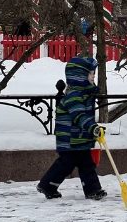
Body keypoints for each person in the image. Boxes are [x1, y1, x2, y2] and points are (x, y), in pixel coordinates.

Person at [37, 56, 107, 200]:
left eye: (93, 73)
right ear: (79, 76)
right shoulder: (73, 95)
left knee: (86, 164)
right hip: (69, 139)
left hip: (79, 138)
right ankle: (47, 185)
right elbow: (79, 116)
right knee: (66, 164)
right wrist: (92, 127)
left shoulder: (85, 94)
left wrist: (93, 129)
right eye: (90, 73)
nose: (93, 76)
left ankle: (92, 190)